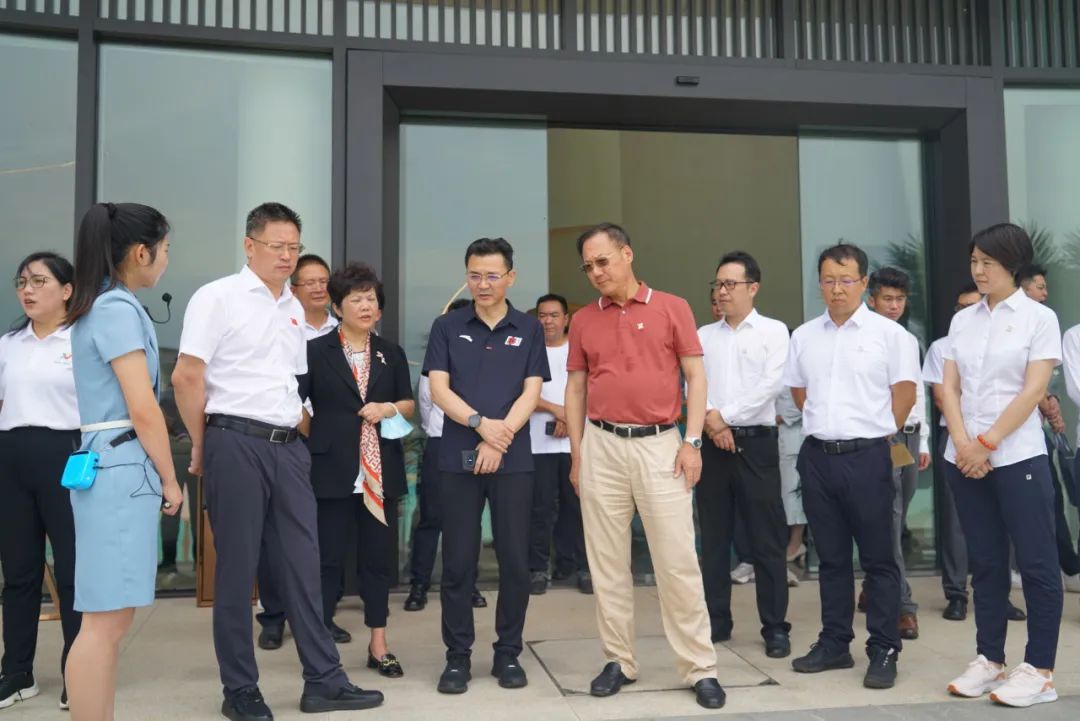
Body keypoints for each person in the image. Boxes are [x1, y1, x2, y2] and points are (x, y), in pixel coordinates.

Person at [171, 202, 382, 720]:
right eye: (276, 246)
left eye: (294, 246)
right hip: (234, 439)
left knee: (303, 564)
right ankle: (240, 690)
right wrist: (201, 444)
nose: (287, 256)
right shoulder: (217, 297)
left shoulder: (293, 308)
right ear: (250, 246)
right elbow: (186, 377)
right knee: (238, 570)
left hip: (288, 447)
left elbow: (292, 387)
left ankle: (324, 680)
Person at [565, 222, 725, 710]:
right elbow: (576, 387)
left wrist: (692, 441)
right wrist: (578, 454)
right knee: (607, 564)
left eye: (603, 261)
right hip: (601, 445)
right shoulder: (583, 320)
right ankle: (619, 660)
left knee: (677, 562)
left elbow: (695, 376)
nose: (596, 272)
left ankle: (700, 667)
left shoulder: (672, 307)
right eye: (588, 266)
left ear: (627, 254)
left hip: (661, 445)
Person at [63, 202, 184, 719]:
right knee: (105, 623)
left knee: (107, 620)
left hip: (110, 464)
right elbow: (143, 407)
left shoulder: (105, 305)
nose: (167, 260)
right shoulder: (115, 309)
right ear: (140, 252)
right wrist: (171, 481)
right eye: (165, 249)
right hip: (120, 466)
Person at [784, 242, 918, 690]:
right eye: (828, 280)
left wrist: (873, 433)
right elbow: (800, 393)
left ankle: (884, 647)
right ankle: (835, 643)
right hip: (819, 457)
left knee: (880, 558)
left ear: (863, 283)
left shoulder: (891, 336)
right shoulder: (804, 336)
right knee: (832, 558)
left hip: (869, 457)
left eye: (846, 280)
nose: (836, 289)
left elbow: (904, 395)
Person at [940, 223, 1063, 708]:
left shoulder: (1038, 318)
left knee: (1036, 564)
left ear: (1013, 265)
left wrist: (986, 443)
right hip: (966, 458)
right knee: (987, 562)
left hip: (1017, 456)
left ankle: (1040, 670)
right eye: (974, 261)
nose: (978, 270)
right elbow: (949, 387)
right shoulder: (963, 321)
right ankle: (990, 659)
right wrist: (962, 443)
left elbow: (1033, 390)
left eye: (987, 262)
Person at [422, 237, 548, 694]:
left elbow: (532, 392)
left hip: (512, 458)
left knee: (514, 560)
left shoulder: (528, 328)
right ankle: (457, 656)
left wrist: (500, 436)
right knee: (458, 561)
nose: (483, 284)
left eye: (492, 275)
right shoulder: (447, 326)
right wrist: (480, 425)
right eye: (474, 275)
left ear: (510, 277)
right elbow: (439, 389)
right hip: (458, 456)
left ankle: (508, 652)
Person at [300, 262, 413, 677]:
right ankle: (321, 652)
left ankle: (379, 644)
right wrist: (319, 436)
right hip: (331, 471)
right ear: (337, 307)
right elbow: (294, 403)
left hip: (380, 473)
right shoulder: (316, 352)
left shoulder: (391, 353)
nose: (366, 306)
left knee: (377, 562)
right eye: (356, 299)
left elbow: (408, 403)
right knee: (327, 561)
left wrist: (387, 408)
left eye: (371, 300)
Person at [696, 251, 791, 658]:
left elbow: (771, 385)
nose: (722, 291)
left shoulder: (774, 331)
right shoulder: (703, 335)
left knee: (766, 539)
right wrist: (711, 422)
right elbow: (692, 383)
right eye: (718, 284)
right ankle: (716, 620)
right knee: (714, 537)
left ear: (753, 288)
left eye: (730, 284)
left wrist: (724, 418)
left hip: (756, 443)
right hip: (711, 444)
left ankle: (775, 627)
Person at [0, 252, 81, 712]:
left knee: (71, 573)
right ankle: (17, 673)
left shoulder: (82, 340)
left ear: (67, 291)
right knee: (19, 573)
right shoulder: (9, 343)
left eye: (38, 281)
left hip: (64, 457)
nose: (27, 290)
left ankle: (78, 673)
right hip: (11, 459)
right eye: (21, 282)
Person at [924, 283, 1031, 623]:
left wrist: (987, 444)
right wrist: (967, 446)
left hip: (1002, 439)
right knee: (957, 521)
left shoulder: (1006, 342)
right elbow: (944, 395)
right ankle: (957, 593)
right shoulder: (943, 347)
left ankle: (1001, 595)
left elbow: (1023, 390)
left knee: (1005, 518)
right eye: (962, 307)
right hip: (958, 439)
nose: (968, 312)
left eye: (974, 305)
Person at [257, 253, 339, 650]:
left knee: (318, 534)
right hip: (287, 437)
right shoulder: (280, 324)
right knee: (275, 534)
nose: (319, 288)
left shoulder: (343, 329)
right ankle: (274, 616)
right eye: (311, 282)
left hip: (330, 446)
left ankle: (321, 616)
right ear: (294, 288)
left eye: (324, 281)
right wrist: (303, 418)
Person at [403, 299, 488, 613]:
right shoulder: (434, 364)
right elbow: (427, 407)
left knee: (469, 519)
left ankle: (468, 584)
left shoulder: (485, 362)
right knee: (431, 517)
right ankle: (419, 585)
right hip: (441, 444)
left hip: (473, 446)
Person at [864, 267, 931, 641]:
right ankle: (903, 606)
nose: (894, 306)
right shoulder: (863, 338)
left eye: (900, 299)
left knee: (897, 519)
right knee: (889, 522)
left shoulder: (908, 340)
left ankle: (874, 584)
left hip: (909, 437)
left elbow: (916, 391)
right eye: (887, 299)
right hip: (881, 438)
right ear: (871, 299)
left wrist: (923, 442)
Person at [1018, 265, 1080, 593]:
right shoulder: (1017, 328)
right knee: (1043, 499)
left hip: (1037, 428)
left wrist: (1049, 404)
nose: (1045, 294)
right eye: (1040, 287)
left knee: (1050, 497)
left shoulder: (1043, 325)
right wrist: (1046, 402)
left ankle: (1067, 565)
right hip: (1014, 432)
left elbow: (1045, 383)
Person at [527, 293, 591, 596]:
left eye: (554, 315)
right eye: (542, 315)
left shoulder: (579, 351)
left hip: (576, 445)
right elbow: (521, 393)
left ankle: (581, 567)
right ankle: (538, 569)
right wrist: (559, 411)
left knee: (577, 509)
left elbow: (589, 391)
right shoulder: (529, 352)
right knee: (539, 510)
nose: (547, 321)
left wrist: (570, 418)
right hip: (537, 445)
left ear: (566, 319)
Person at [776, 385, 806, 582]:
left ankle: (796, 543)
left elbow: (803, 402)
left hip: (793, 433)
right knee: (783, 493)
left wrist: (779, 417)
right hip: (775, 434)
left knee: (793, 492)